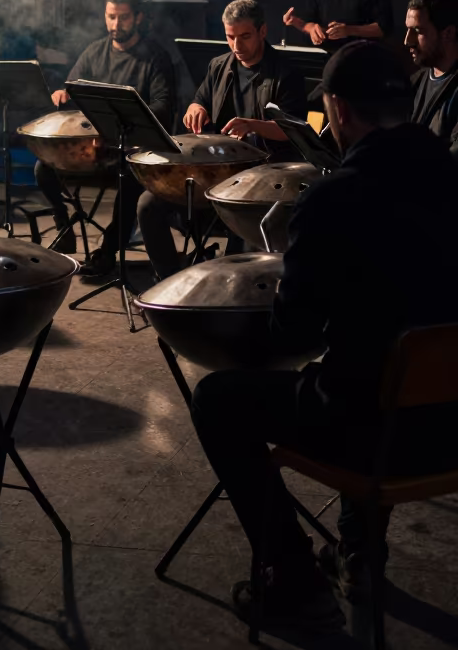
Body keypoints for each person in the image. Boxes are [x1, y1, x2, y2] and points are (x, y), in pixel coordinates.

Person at [190, 42, 458, 633]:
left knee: (220, 398)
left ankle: (293, 579)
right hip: (451, 428)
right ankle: (359, 555)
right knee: (380, 371)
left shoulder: (336, 199)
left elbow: (295, 331)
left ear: (336, 109)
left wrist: (293, 267)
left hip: (375, 436)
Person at [140, 0, 307, 280]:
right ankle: (167, 279)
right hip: (218, 171)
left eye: (245, 37)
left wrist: (254, 125)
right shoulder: (219, 65)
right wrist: (196, 109)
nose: (237, 46)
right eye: (230, 37)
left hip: (261, 177)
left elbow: (293, 130)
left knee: (242, 249)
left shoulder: (286, 73)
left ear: (262, 32)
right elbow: (200, 100)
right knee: (148, 204)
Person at [36, 0, 174, 275]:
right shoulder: (95, 51)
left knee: (130, 178)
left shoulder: (155, 57)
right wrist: (64, 92)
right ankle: (64, 228)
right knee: (43, 167)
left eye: (123, 17)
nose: (116, 24)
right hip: (95, 150)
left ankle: (108, 250)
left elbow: (163, 106)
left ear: (138, 18)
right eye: (111, 17)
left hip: (131, 151)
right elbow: (73, 86)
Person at [406, 0, 458, 158]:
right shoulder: (415, 81)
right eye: (408, 30)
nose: (407, 41)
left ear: (448, 33)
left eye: (418, 31)